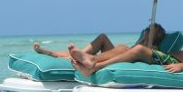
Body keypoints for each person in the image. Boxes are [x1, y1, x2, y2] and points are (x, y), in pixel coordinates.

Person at [70, 20, 183, 77]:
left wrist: (181, 66)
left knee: (139, 49)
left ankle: (94, 66)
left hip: (173, 62)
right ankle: (91, 60)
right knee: (123, 48)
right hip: (166, 57)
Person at [33, 23, 166, 60]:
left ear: (155, 34)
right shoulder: (142, 41)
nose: (146, 30)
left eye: (149, 30)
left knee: (122, 47)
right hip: (119, 55)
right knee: (103, 37)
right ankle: (75, 54)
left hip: (123, 56)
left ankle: (75, 56)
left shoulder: (154, 48)